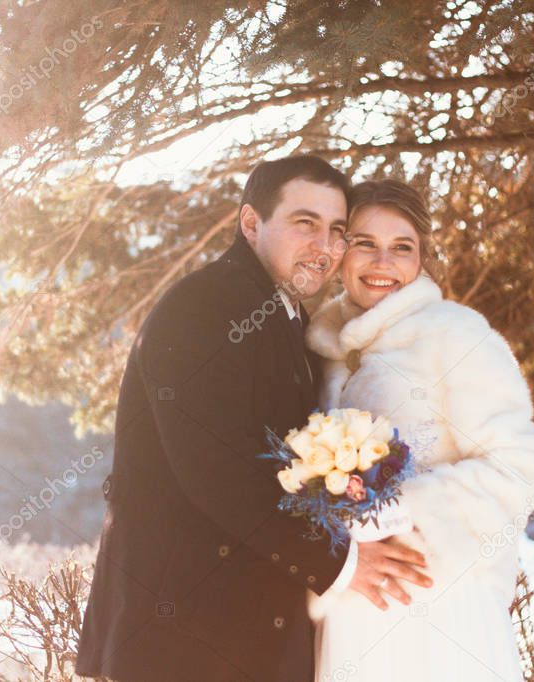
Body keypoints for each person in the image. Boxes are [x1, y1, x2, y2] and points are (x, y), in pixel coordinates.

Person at [75, 157, 431, 682]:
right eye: (305, 223)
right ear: (250, 224)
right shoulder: (204, 306)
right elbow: (216, 471)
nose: (325, 246)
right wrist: (340, 563)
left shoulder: (287, 316)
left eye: (337, 231)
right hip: (180, 641)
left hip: (246, 637)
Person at [305, 178, 534, 681]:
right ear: (340, 253)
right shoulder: (318, 353)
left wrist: (405, 508)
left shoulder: (455, 335)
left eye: (402, 248)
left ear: (422, 260)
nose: (382, 263)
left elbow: (519, 468)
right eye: (364, 244)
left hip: (440, 609)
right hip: (350, 615)